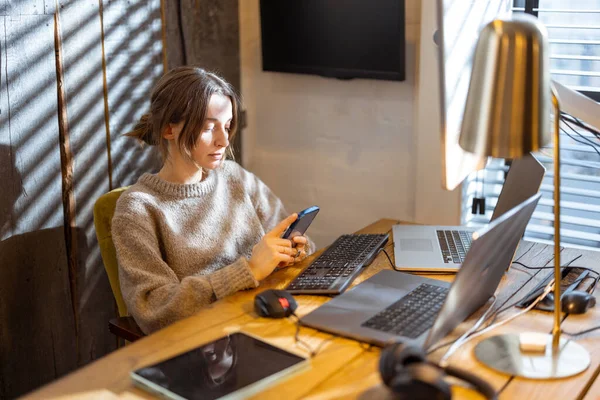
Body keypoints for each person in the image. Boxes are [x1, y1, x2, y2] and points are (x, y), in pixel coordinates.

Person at [112, 66, 314, 334]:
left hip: (264, 321)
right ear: (169, 129)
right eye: (209, 128)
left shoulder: (236, 177)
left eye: (228, 126)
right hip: (205, 343)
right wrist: (250, 270)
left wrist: (293, 251)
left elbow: (299, 241)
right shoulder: (137, 209)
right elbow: (154, 309)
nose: (223, 140)